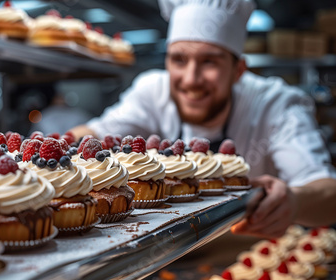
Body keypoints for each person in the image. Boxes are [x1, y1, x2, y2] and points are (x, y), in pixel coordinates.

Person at [70, 0, 336, 238]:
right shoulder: (153, 91)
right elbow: (91, 134)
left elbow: (327, 192)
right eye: (179, 60)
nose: (191, 79)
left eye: (209, 62)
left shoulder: (274, 103)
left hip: (241, 247)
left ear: (238, 71)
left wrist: (296, 201)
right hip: (165, 251)